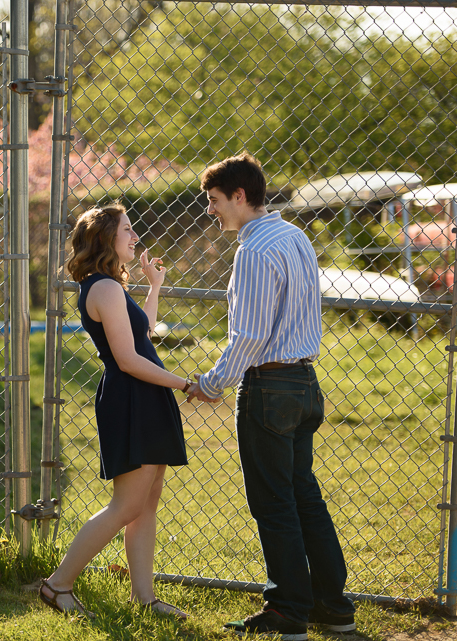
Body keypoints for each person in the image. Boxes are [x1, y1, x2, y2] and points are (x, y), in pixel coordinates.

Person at [187, 153, 356, 640]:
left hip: (269, 388)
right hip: (304, 383)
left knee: (275, 502)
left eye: (215, 201)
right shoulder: (295, 236)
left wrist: (213, 382)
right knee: (304, 495)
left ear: (240, 196)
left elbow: (249, 335)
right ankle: (332, 604)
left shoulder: (255, 251)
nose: (211, 211)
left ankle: (287, 609)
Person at [38, 203, 195, 620]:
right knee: (126, 505)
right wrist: (185, 384)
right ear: (107, 237)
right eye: (127, 229)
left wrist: (153, 288)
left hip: (143, 394)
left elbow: (142, 338)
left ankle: (144, 599)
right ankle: (58, 585)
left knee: (146, 503)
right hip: (131, 397)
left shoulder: (110, 286)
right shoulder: (103, 288)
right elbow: (127, 359)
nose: (135, 237)